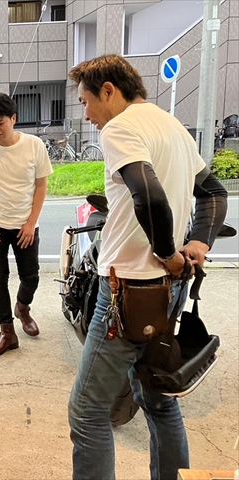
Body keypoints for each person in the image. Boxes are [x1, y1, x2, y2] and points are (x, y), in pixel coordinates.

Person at [67, 54, 228, 479]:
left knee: (87, 412)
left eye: (85, 102)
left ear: (108, 91)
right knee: (155, 397)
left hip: (130, 291)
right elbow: (213, 192)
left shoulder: (121, 127)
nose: (87, 115)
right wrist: (198, 242)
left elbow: (149, 196)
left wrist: (168, 252)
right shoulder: (171, 125)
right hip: (168, 289)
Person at [0, 93, 53, 357]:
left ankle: (22, 307)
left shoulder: (34, 145)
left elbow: (41, 185)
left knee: (31, 277)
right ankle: (7, 332)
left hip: (25, 224)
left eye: (0, 123)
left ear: (13, 119)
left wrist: (31, 222)